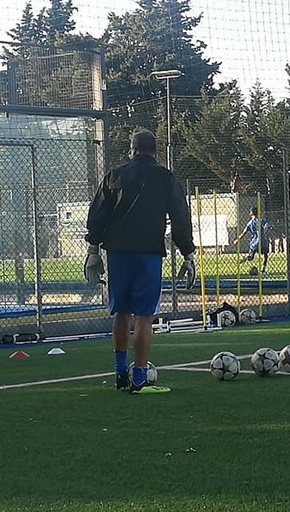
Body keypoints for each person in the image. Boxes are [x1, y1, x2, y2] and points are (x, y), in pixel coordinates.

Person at [83, 129, 196, 394]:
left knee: (121, 313)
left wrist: (93, 249)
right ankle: (140, 378)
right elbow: (180, 218)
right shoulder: (165, 178)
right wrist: (188, 253)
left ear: (131, 150)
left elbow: (97, 213)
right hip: (149, 252)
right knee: (144, 316)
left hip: (118, 252)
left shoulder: (115, 175)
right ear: (155, 152)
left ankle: (120, 373)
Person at [232, 207, 270, 276]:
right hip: (263, 241)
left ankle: (246, 258)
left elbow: (244, 233)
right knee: (265, 256)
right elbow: (266, 227)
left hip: (254, 243)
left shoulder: (250, 223)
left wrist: (237, 240)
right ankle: (263, 270)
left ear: (251, 214)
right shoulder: (262, 221)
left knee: (251, 257)